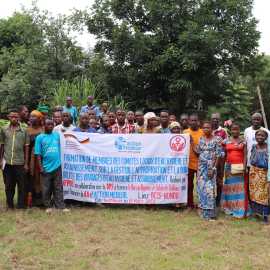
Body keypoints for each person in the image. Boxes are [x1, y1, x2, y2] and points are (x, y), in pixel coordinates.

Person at [35, 119, 69, 213]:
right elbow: (37, 154)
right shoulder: (40, 137)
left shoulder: (57, 135)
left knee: (58, 187)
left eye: (51, 124)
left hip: (57, 166)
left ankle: (60, 206)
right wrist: (41, 167)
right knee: (46, 188)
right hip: (46, 167)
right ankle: (48, 206)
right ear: (43, 125)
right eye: (48, 124)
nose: (50, 126)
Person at [0, 108, 30, 209]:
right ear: (8, 117)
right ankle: (10, 204)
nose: (14, 118)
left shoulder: (24, 130)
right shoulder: (4, 129)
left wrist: (26, 163)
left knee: (21, 185)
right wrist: (1, 160)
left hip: (20, 163)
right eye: (12, 116)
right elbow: (2, 145)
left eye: (16, 117)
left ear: (19, 118)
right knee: (9, 185)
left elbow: (26, 147)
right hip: (7, 162)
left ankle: (21, 205)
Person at [193, 121, 222, 220]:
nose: (206, 129)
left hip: (211, 166)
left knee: (210, 189)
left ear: (212, 128)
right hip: (201, 167)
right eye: (204, 128)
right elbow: (198, 152)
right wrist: (192, 143)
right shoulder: (201, 139)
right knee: (201, 188)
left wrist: (213, 168)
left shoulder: (217, 139)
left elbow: (218, 155)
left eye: (208, 127)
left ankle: (211, 213)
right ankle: (202, 211)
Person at [221, 124, 249, 219]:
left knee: (239, 188)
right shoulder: (226, 141)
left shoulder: (243, 141)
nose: (235, 131)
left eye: (237, 129)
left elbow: (245, 155)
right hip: (228, 167)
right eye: (233, 129)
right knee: (230, 188)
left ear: (239, 130)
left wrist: (244, 167)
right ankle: (230, 207)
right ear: (230, 130)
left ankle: (239, 208)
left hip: (239, 167)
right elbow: (223, 154)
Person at [249, 130, 269, 223]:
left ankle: (265, 216)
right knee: (253, 194)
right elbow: (251, 160)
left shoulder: (268, 147)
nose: (259, 137)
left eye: (262, 135)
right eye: (258, 135)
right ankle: (256, 214)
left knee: (264, 194)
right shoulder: (254, 146)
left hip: (264, 173)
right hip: (254, 173)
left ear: (266, 137)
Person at [184, 114, 204, 208]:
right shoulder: (185, 132)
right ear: (189, 122)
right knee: (189, 185)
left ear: (198, 121)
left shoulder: (203, 132)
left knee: (200, 185)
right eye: (191, 120)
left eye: (195, 120)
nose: (193, 122)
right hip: (188, 163)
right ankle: (190, 204)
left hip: (201, 163)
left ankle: (201, 203)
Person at [27, 110, 44, 206]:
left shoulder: (43, 129)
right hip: (31, 157)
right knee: (32, 177)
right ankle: (31, 199)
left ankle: (41, 199)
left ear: (39, 119)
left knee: (41, 177)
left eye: (34, 116)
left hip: (42, 156)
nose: (32, 118)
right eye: (31, 116)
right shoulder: (27, 130)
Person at [211, 112, 228, 207]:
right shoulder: (208, 129)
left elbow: (226, 145)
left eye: (217, 119)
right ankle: (210, 197)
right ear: (211, 119)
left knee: (219, 179)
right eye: (213, 118)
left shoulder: (223, 131)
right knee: (210, 178)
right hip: (209, 159)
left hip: (220, 159)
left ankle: (218, 199)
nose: (215, 120)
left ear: (219, 120)